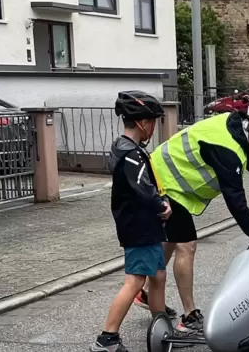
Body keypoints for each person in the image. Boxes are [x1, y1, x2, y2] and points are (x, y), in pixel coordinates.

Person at [141, 110, 249, 339]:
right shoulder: (227, 152)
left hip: (166, 175)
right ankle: (189, 316)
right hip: (165, 182)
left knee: (172, 239)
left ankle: (146, 293)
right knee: (187, 245)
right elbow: (237, 205)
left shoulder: (241, 124)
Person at [91, 91, 171, 352]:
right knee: (135, 281)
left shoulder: (128, 148)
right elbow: (143, 188)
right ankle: (107, 338)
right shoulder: (130, 154)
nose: (154, 126)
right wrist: (161, 205)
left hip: (145, 224)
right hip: (139, 226)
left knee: (158, 275)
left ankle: (162, 331)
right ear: (142, 122)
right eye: (153, 121)